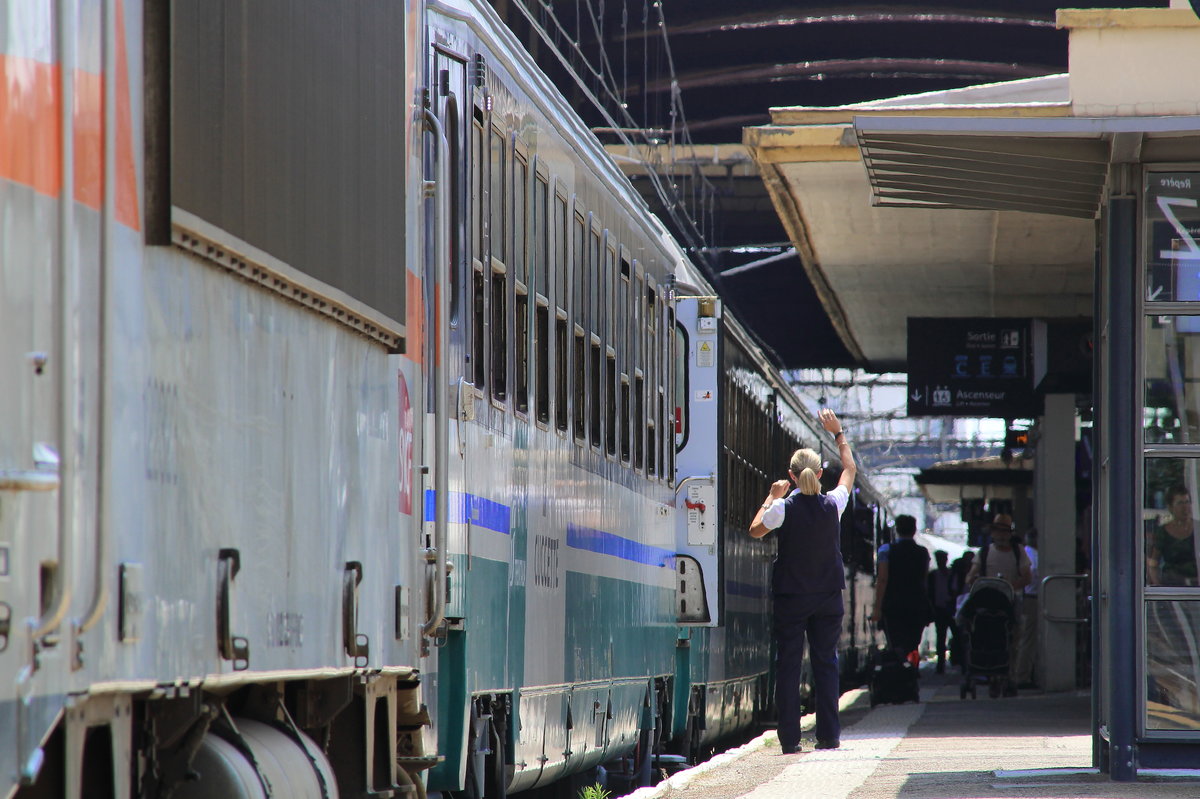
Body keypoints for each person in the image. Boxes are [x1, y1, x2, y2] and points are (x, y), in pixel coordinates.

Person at [749, 408, 854, 755]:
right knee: (826, 664)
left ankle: (790, 740)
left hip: (792, 597)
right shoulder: (833, 504)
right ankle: (829, 736)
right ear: (820, 474)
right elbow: (850, 471)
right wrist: (838, 433)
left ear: (791, 477)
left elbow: (755, 530)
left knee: (789, 666)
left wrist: (771, 496)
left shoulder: (783, 507)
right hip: (828, 597)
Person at [966, 513, 1032, 696]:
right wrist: (973, 579)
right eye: (998, 531)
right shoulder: (984, 553)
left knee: (1014, 639)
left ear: (1010, 534)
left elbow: (1027, 577)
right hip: (987, 602)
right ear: (992, 533)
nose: (1002, 535)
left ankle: (1010, 676)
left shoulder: (1019, 552)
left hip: (1011, 602)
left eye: (1005, 531)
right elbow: (971, 574)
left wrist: (1009, 587)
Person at [870, 515, 931, 659]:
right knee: (913, 645)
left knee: (896, 644)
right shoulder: (923, 552)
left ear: (896, 530)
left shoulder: (886, 550)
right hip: (917, 605)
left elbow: (882, 579)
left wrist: (877, 608)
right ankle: (912, 668)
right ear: (914, 530)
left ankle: (899, 668)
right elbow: (924, 580)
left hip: (893, 605)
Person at [1147, 485, 1200, 586]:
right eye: (1180, 503)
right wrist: (1158, 587)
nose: (1185, 507)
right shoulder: (1162, 532)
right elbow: (1153, 563)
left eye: (1187, 502)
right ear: (1170, 507)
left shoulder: (1198, 528)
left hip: (1196, 586)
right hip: (1171, 585)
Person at [1014, 528, 1040, 688]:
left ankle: (1023, 673)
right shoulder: (1032, 556)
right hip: (1031, 598)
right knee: (1028, 639)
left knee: (1026, 638)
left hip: (1028, 597)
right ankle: (1022, 675)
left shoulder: (1026, 554)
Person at [926, 550, 956, 674]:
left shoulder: (952, 574)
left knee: (954, 635)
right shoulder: (933, 575)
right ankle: (941, 665)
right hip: (940, 609)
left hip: (951, 608)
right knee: (941, 637)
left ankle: (954, 660)